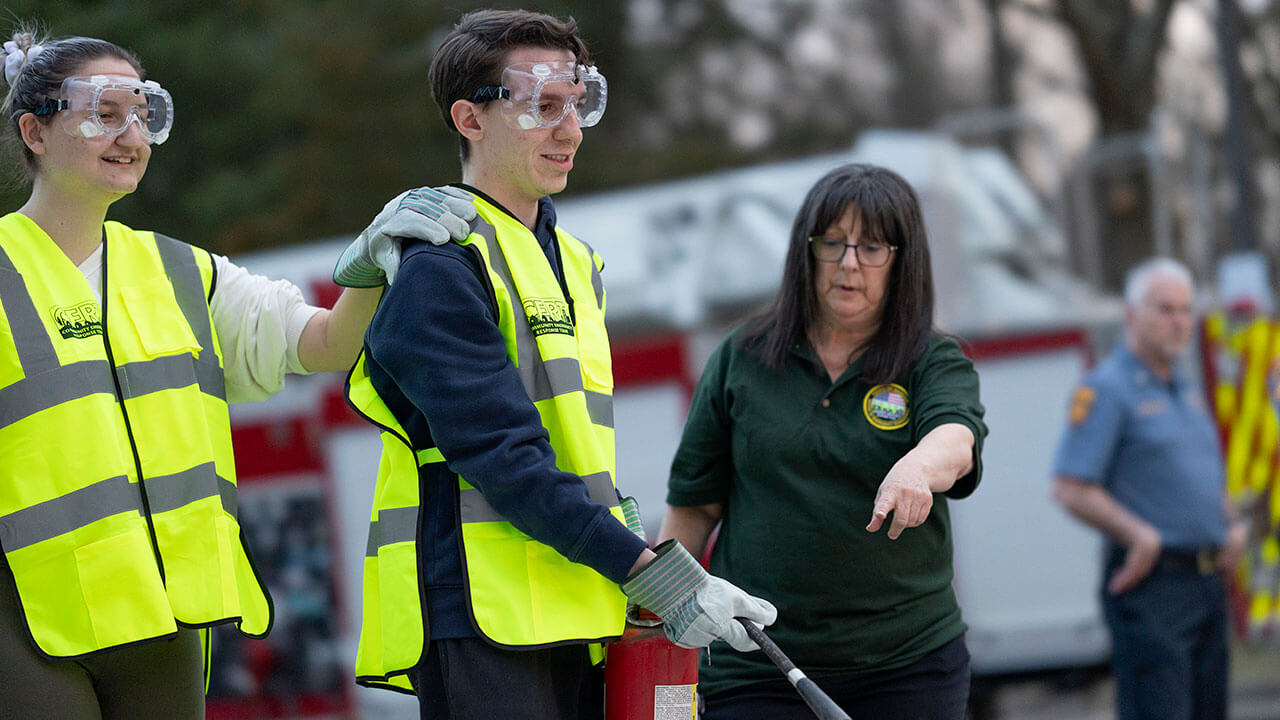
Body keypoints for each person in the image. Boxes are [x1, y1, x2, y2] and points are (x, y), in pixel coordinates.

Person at [0, 28, 471, 719]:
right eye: (104, 114)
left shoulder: (184, 272)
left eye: (144, 115)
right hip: (23, 614)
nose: (131, 135)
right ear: (35, 131)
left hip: (166, 613)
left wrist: (372, 263)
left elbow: (324, 343)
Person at [342, 8, 777, 719]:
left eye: (578, 103)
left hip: (578, 606)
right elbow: (506, 459)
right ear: (469, 119)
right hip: (482, 615)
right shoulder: (439, 269)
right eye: (543, 107)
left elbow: (581, 455)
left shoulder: (577, 263)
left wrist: (637, 572)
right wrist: (657, 577)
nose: (570, 130)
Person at [658, 163, 986, 720]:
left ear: (902, 261)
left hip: (908, 663)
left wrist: (916, 468)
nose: (849, 263)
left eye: (872, 247)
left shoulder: (933, 360)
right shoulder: (740, 358)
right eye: (832, 242)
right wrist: (659, 616)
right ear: (805, 252)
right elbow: (694, 507)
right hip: (757, 663)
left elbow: (955, 439)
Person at [1051, 257, 1248, 720]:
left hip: (1206, 583)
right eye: (1166, 309)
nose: (1180, 321)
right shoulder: (1107, 389)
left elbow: (1199, 474)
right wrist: (1138, 534)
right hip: (1154, 587)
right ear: (1131, 316)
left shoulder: (1186, 389)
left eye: (1186, 310)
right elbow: (1069, 486)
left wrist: (1232, 523)